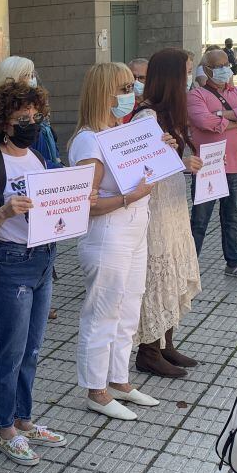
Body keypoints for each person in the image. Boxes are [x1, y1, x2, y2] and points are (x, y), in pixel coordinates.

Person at [0, 78, 67, 465]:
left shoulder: (38, 158)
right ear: (3, 123)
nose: (30, 122)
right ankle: (4, 428)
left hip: (42, 258)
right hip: (7, 263)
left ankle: (24, 419)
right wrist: (6, 211)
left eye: (35, 115)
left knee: (31, 347)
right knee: (6, 350)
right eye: (21, 117)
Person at [67, 63, 159, 421]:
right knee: (102, 312)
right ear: (104, 94)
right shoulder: (90, 140)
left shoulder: (120, 131)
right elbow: (85, 205)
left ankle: (119, 379)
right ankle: (96, 390)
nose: (131, 93)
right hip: (108, 233)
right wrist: (130, 197)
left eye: (132, 85)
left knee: (129, 307)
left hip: (134, 228)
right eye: (123, 88)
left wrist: (159, 150)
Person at [131, 50, 203, 378]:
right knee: (158, 273)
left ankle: (166, 343)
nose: (190, 77)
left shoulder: (169, 113)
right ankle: (148, 350)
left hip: (172, 204)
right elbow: (139, 169)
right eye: (186, 72)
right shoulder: (146, 117)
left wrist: (189, 167)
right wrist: (180, 164)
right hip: (155, 207)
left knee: (174, 267)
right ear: (171, 77)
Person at [188, 48, 237, 280]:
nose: (223, 70)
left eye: (226, 64)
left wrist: (220, 114)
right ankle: (188, 266)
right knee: (200, 220)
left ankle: (233, 262)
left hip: (236, 166)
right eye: (217, 66)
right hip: (208, 166)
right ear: (206, 70)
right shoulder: (196, 95)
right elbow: (203, 121)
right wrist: (232, 117)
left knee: (232, 218)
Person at [0, 56, 63, 168]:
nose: (32, 79)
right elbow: (29, 163)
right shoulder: (12, 128)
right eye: (27, 75)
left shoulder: (37, 109)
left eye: (32, 75)